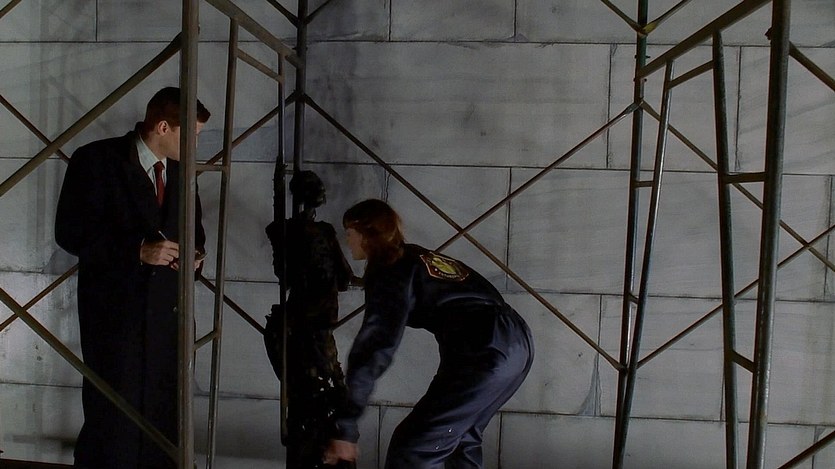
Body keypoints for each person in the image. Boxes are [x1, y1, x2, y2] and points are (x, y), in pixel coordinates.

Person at [55, 87, 211, 469]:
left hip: (169, 319)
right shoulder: (95, 160)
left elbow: (195, 231)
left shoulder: (180, 171)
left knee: (164, 415)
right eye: (191, 135)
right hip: (116, 318)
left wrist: (194, 258)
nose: (195, 146)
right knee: (114, 418)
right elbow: (70, 232)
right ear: (163, 127)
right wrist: (136, 251)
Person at [323, 199, 534, 469]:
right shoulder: (415, 256)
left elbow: (375, 348)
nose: (347, 241)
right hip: (515, 343)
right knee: (461, 439)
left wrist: (346, 427)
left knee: (414, 448)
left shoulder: (389, 269)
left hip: (485, 348)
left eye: (349, 233)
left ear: (365, 234)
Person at [264, 170, 354, 468]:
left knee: (324, 391)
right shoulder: (290, 231)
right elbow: (285, 274)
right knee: (315, 393)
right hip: (305, 322)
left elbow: (343, 276)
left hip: (314, 321)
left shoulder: (315, 230)